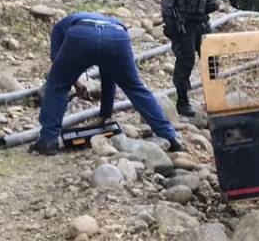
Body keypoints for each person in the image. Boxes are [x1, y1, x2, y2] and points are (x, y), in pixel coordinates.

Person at [30, 12, 183, 155]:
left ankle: (48, 140)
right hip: (117, 36)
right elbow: (109, 75)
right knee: (136, 89)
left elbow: (59, 69)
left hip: (81, 35)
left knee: (57, 86)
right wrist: (105, 114)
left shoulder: (59, 28)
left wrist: (74, 83)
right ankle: (170, 136)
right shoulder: (111, 21)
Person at [163, 0, 218, 117]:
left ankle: (213, 98)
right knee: (186, 62)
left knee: (212, 59)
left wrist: (214, 3)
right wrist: (170, 24)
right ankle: (182, 102)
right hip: (184, 25)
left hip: (201, 23)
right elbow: (168, 0)